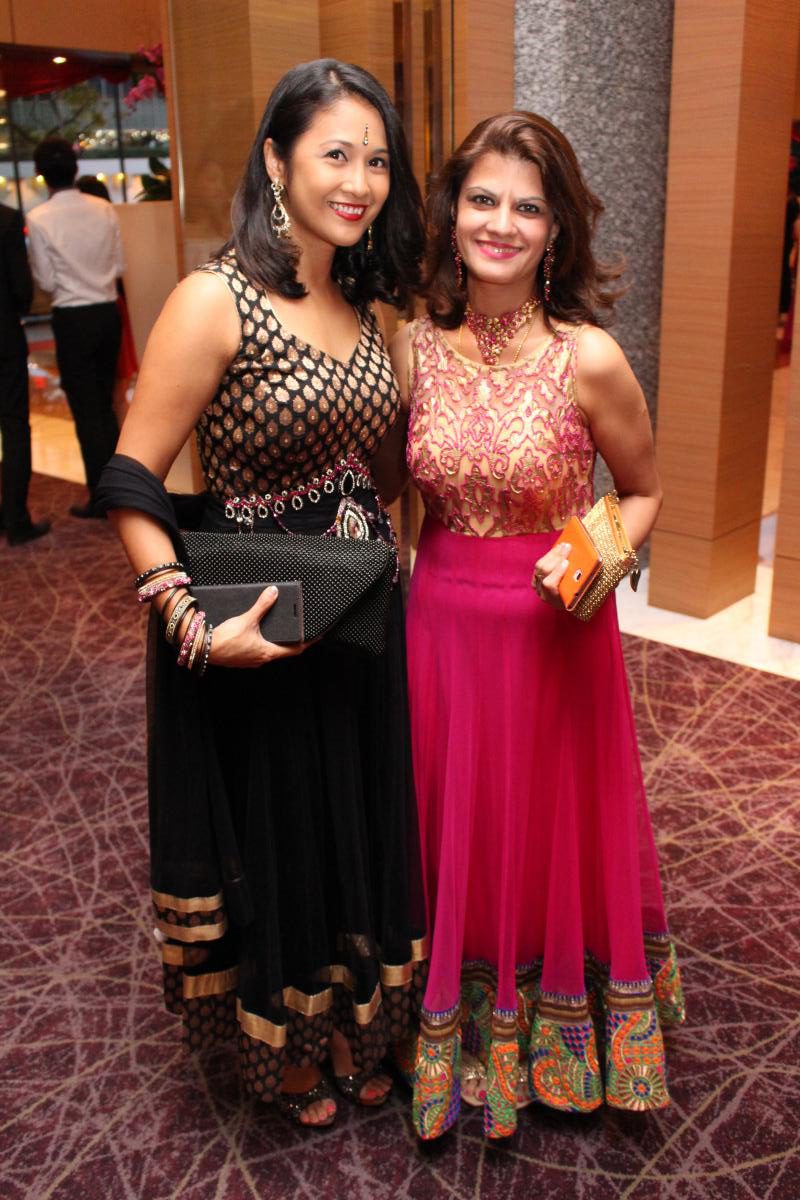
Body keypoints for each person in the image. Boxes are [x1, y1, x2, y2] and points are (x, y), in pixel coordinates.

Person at [94, 59, 427, 1129]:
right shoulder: (215, 298)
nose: (359, 181)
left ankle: (356, 1020)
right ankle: (286, 1036)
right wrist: (186, 619)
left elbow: (383, 469)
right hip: (263, 611)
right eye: (335, 154)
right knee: (288, 823)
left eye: (377, 160)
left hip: (360, 599)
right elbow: (130, 477)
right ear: (277, 162)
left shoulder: (365, 304)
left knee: (357, 811)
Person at [390, 111, 685, 1141]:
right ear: (451, 213)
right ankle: (455, 1026)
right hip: (439, 627)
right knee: (451, 824)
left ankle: (557, 1039)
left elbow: (643, 492)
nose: (500, 224)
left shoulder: (587, 358)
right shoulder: (411, 348)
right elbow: (387, 494)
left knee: (547, 831)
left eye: (527, 206)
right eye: (482, 200)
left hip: (554, 631)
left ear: (556, 229)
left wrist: (595, 554)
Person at [27, 138, 124, 518]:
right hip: (107, 313)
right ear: (75, 168)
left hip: (72, 317)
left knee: (86, 411)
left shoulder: (39, 218)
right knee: (106, 405)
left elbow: (46, 281)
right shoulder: (104, 209)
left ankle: (101, 496)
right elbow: (119, 267)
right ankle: (121, 492)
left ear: (41, 174)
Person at [0, 201, 50, 545]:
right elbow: (22, 289)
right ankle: (16, 519)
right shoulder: (6, 219)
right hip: (3, 337)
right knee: (14, 423)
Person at [76, 175, 139, 428]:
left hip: (103, 309)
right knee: (117, 391)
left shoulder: (88, 228)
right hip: (114, 306)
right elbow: (120, 268)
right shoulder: (109, 221)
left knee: (111, 393)